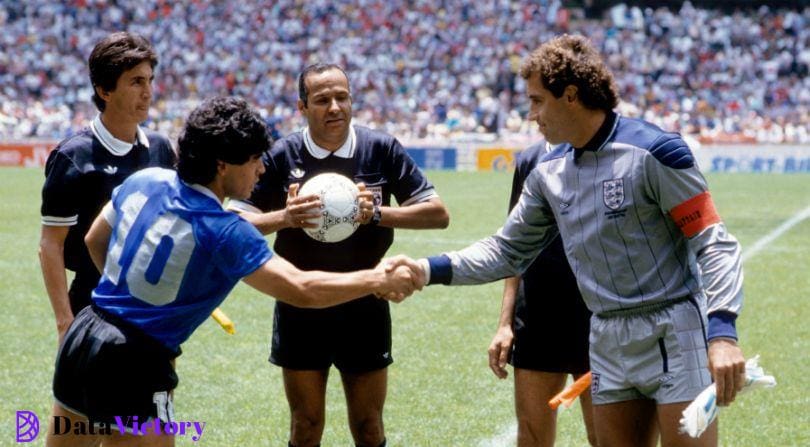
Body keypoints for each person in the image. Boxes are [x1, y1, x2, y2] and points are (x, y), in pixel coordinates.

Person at [387, 35, 746, 447]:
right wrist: (426, 269)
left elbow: (713, 243)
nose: (531, 114)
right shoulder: (547, 171)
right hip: (607, 335)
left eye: (538, 101)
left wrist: (721, 334)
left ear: (571, 96)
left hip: (673, 329)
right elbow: (507, 249)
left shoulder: (656, 152)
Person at [46, 96, 419, 447]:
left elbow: (96, 239)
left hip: (86, 332)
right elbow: (301, 288)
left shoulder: (148, 180)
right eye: (255, 159)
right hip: (136, 360)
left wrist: (133, 295)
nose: (261, 168)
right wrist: (378, 278)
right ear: (223, 165)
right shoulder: (224, 229)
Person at [228, 63, 449, 447]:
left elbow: (437, 214)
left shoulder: (380, 148)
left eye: (342, 97)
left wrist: (376, 214)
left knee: (368, 426)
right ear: (302, 107)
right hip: (300, 302)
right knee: (306, 425)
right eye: (322, 100)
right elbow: (230, 226)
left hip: (365, 298)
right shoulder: (281, 155)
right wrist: (285, 217)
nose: (334, 107)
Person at [39, 31, 176, 346]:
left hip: (152, 302)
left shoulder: (160, 149)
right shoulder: (73, 156)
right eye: (136, 82)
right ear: (104, 90)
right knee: (79, 397)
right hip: (91, 300)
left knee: (154, 396)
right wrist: (64, 322)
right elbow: (50, 245)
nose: (148, 92)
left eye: (150, 80)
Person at [487, 142, 596, 447]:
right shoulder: (530, 160)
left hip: (602, 317)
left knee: (608, 438)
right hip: (538, 314)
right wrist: (504, 323)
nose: (534, 113)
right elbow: (514, 247)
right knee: (532, 437)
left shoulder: (614, 152)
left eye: (539, 101)